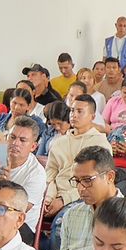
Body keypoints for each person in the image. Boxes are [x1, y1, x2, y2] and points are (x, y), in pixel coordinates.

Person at [53, 146, 126, 250]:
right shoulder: (72, 215)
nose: (80, 188)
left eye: (87, 180)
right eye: (77, 181)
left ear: (109, 177)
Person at [42, 95, 106, 223]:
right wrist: (49, 198)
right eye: (72, 110)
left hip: (82, 198)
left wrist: (63, 200)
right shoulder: (59, 142)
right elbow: (50, 175)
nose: (74, 115)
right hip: (54, 196)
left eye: (79, 111)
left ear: (92, 117)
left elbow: (95, 183)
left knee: (63, 222)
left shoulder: (100, 144)